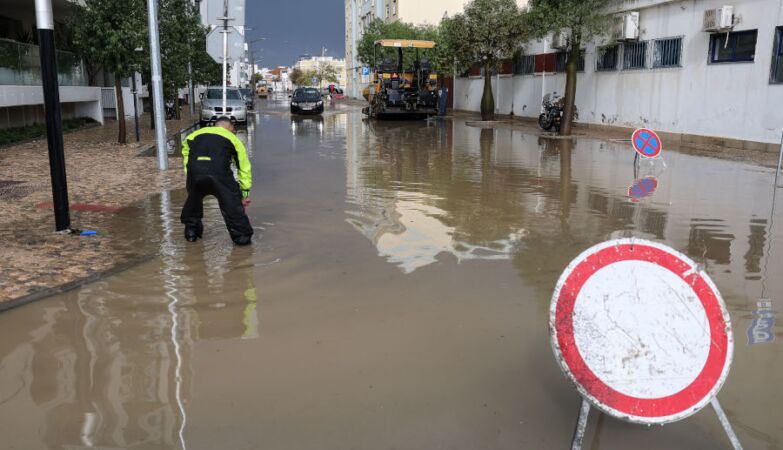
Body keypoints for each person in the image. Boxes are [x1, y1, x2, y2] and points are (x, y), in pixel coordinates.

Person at [180, 117, 253, 245]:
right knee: (232, 208)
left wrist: (191, 176)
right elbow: (243, 167)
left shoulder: (193, 135)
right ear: (229, 127)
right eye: (233, 129)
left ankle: (191, 233)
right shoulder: (233, 139)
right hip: (219, 175)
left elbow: (186, 154)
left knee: (193, 203)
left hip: (194, 174)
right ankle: (243, 241)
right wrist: (245, 192)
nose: (233, 131)